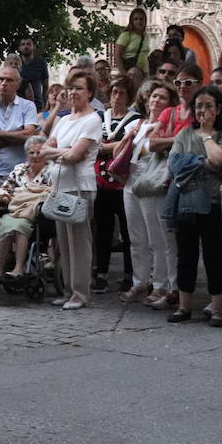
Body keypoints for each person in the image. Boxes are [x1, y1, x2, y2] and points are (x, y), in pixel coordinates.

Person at [165, 86, 222, 325]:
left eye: (207, 106)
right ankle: (184, 307)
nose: (202, 111)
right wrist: (201, 162)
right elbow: (174, 164)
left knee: (214, 255)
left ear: (217, 109)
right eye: (198, 106)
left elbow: (219, 160)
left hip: (213, 202)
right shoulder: (184, 134)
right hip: (185, 201)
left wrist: (206, 136)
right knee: (186, 254)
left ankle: (217, 308)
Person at [40, 71, 103, 309]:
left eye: (79, 88)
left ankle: (81, 292)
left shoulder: (93, 120)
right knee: (63, 243)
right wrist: (62, 153)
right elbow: (46, 148)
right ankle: (67, 290)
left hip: (80, 187)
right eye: (71, 88)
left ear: (89, 93)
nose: (74, 93)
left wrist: (60, 153)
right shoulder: (64, 120)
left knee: (79, 242)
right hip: (60, 186)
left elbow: (76, 156)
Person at [122, 82, 180, 306]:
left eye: (162, 97)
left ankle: (161, 286)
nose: (155, 101)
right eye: (153, 96)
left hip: (153, 183)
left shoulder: (165, 125)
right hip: (131, 182)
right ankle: (140, 282)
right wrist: (129, 137)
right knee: (136, 238)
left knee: (159, 238)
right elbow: (120, 153)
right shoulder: (137, 123)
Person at [93, 79, 141, 292]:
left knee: (128, 230)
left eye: (121, 93)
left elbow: (127, 147)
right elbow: (92, 143)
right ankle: (101, 272)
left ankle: (129, 274)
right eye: (113, 92)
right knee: (103, 230)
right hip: (100, 182)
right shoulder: (99, 118)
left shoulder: (135, 120)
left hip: (122, 183)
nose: (117, 97)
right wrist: (109, 147)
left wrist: (105, 147)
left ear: (128, 96)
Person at [0, 66, 39, 230]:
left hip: (21, 174)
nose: (4, 83)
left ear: (18, 84)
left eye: (9, 80)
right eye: (1, 79)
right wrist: (16, 135)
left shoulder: (28, 106)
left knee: (21, 220)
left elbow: (29, 137)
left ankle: (18, 254)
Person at [0, 136, 54, 279]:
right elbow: (2, 189)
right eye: (31, 153)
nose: (35, 156)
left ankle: (19, 268)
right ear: (26, 154)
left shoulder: (51, 172)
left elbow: (52, 195)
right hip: (15, 211)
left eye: (39, 152)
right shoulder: (19, 169)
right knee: (4, 225)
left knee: (19, 226)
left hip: (34, 215)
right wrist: (11, 198)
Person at [114, 8, 150, 74]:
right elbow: (117, 55)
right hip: (130, 72)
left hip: (144, 73)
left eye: (141, 19)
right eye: (136, 19)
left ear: (145, 21)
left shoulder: (146, 36)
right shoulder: (126, 35)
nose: (139, 21)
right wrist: (124, 74)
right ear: (131, 21)